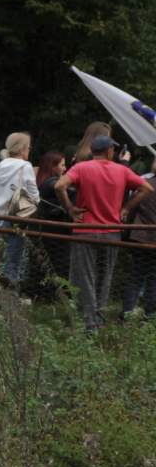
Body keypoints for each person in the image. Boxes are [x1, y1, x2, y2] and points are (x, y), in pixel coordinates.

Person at [57, 135, 152, 332]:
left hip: (85, 231)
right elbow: (146, 188)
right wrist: (126, 208)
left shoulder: (81, 168)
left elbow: (59, 186)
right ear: (109, 151)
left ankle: (89, 323)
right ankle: (98, 320)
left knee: (85, 277)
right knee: (105, 277)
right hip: (111, 232)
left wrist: (70, 208)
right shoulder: (122, 170)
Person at [0, 133, 38, 301]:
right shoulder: (25, 166)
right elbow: (35, 197)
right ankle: (8, 304)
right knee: (12, 264)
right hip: (14, 219)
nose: (29, 150)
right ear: (22, 148)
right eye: (28, 147)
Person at [122, 160, 156, 320]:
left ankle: (127, 313)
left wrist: (127, 234)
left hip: (140, 237)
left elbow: (132, 209)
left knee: (136, 275)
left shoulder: (145, 185)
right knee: (154, 278)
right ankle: (150, 316)